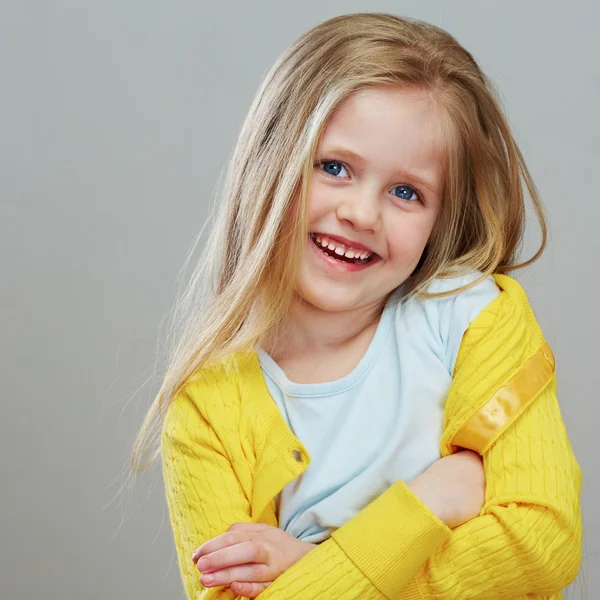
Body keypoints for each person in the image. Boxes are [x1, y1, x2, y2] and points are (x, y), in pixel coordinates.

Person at [131, 12, 583, 600]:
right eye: (335, 167)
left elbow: (540, 543)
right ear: (271, 160)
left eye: (406, 192)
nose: (362, 214)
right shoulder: (207, 410)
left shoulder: (476, 318)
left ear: (437, 221)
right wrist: (429, 501)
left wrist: (310, 571)